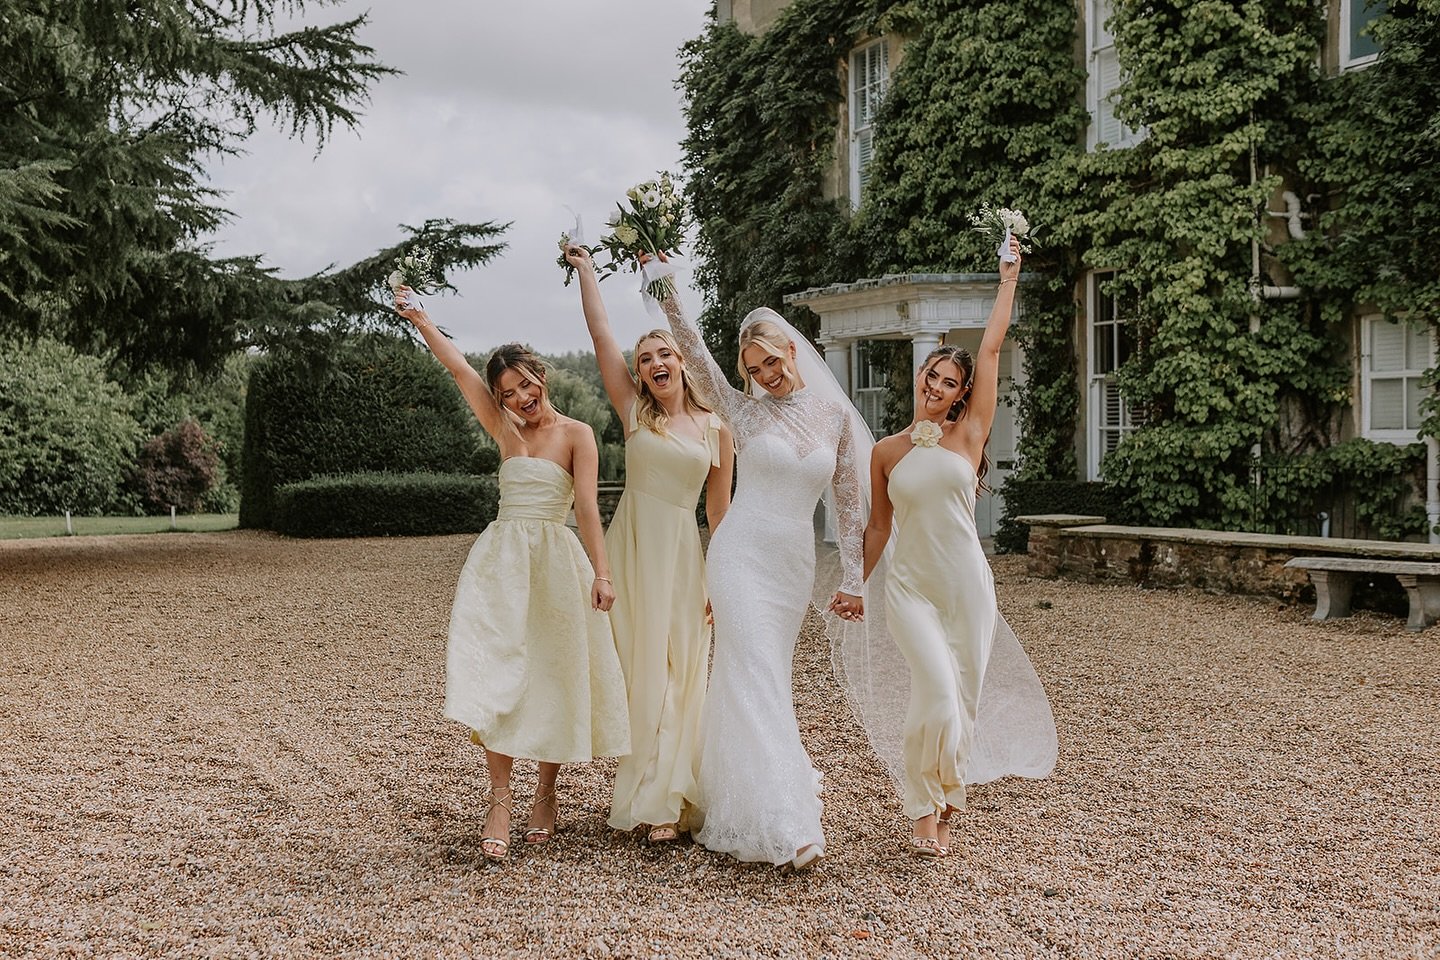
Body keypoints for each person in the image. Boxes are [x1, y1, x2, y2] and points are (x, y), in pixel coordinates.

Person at [639, 256, 868, 870]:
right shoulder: (742, 413)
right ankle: (785, 815)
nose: (766, 375)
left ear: (791, 350)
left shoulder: (835, 417)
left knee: (762, 675)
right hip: (740, 553)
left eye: (772, 361)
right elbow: (691, 347)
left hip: (791, 562)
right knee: (755, 670)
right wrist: (664, 286)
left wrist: (853, 577)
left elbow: (847, 503)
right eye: (754, 369)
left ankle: (739, 791)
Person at [395, 288, 630, 862]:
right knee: (499, 672)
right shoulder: (504, 430)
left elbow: (588, 510)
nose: (520, 398)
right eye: (508, 392)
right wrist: (420, 316)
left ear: (540, 376)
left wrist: (602, 574)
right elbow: (456, 366)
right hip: (501, 564)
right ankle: (499, 796)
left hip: (557, 563)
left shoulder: (577, 435)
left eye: (526, 384)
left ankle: (546, 792)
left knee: (556, 671)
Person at [857, 239, 1057, 858]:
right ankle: (921, 807)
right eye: (932, 376)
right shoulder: (887, 451)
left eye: (950, 382)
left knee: (960, 700)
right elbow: (879, 528)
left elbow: (991, 347)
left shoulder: (969, 436)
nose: (938, 386)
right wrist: (852, 583)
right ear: (919, 379)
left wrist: (1008, 281)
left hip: (966, 586)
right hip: (909, 588)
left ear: (962, 393)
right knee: (936, 694)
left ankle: (949, 801)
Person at [564, 246, 734, 844]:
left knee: (683, 673)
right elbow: (600, 329)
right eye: (646, 359)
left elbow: (719, 511)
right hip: (633, 551)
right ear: (639, 374)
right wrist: (588, 270)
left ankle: (669, 799)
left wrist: (725, 578)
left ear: (684, 362)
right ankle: (649, 791)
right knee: (643, 673)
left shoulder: (717, 429)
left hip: (685, 559)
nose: (655, 362)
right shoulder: (635, 413)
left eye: (665, 353)